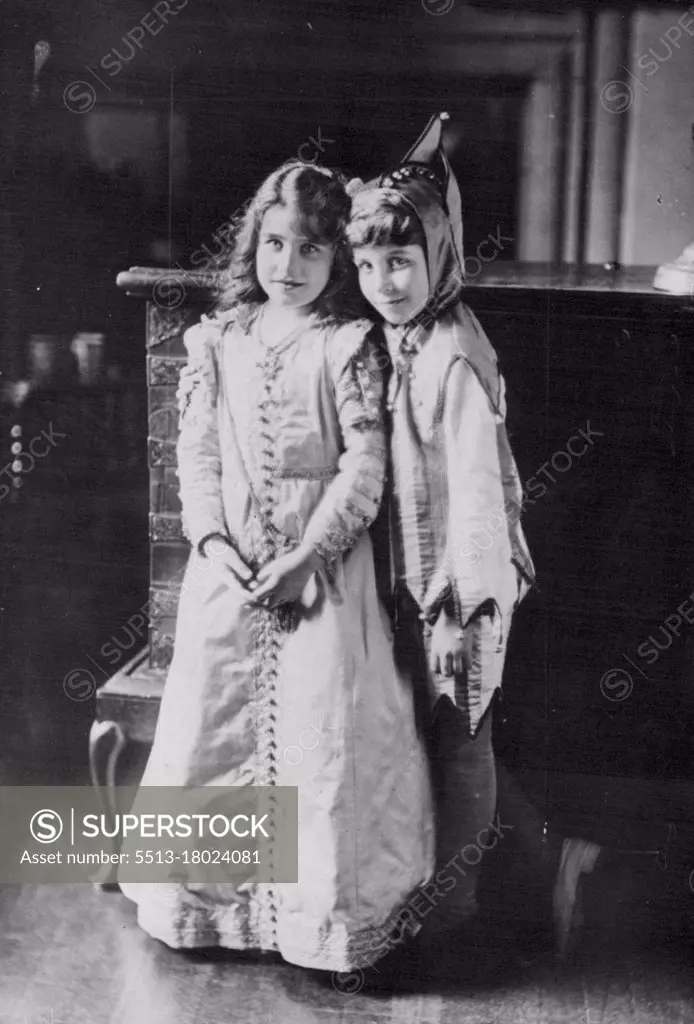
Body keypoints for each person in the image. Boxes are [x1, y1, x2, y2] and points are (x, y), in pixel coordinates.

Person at [120, 159, 434, 976]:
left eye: (311, 252)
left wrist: (306, 556)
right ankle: (212, 912)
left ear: (336, 264)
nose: (288, 267)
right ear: (253, 244)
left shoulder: (346, 344)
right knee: (212, 729)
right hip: (227, 576)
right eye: (275, 244)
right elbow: (196, 456)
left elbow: (365, 468)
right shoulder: (218, 340)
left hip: (321, 575)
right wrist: (212, 542)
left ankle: (320, 928)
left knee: (320, 745)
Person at [346, 115, 600, 969]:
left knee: (460, 741)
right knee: (452, 737)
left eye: (402, 263)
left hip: (460, 588)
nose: (384, 281)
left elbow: (482, 492)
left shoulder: (452, 351)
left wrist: (464, 604)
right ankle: (557, 858)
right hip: (409, 582)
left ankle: (448, 917)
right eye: (369, 265)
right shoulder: (401, 336)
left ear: (439, 259)